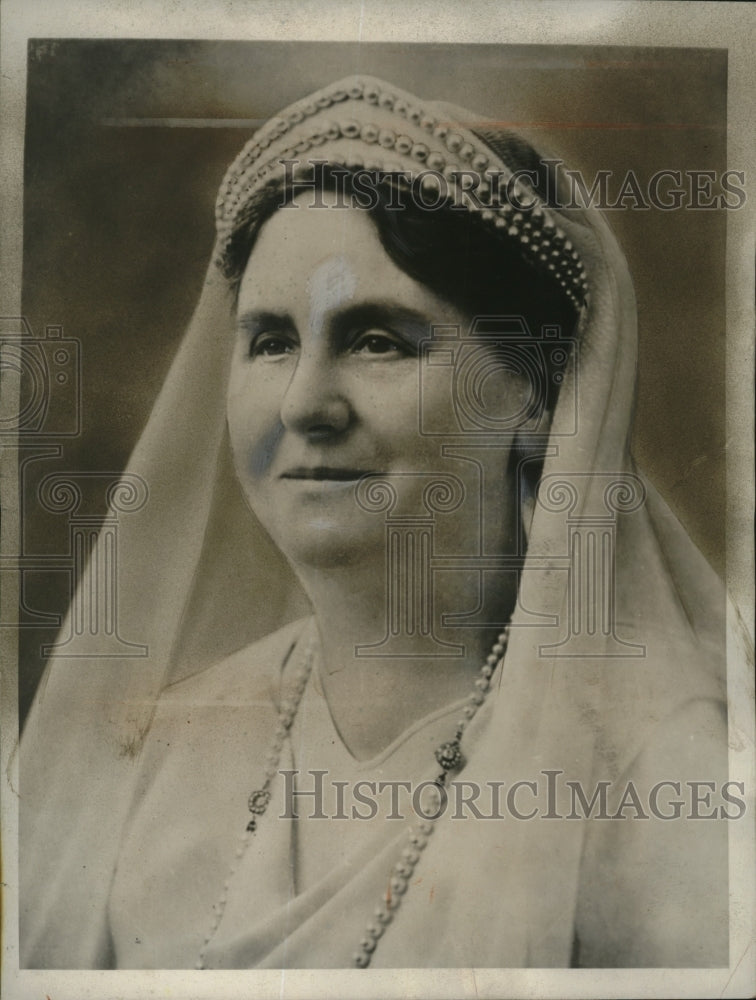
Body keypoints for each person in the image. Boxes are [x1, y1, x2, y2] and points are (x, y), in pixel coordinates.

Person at [20, 75, 729, 970]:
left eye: (378, 340)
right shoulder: (161, 748)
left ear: (537, 395)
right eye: (271, 341)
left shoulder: (663, 781)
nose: (306, 404)